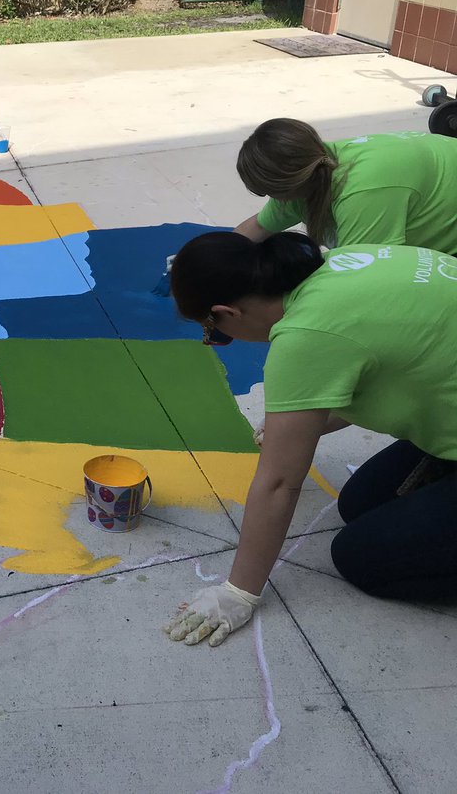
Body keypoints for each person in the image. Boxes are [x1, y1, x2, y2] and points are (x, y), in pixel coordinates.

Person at [162, 231, 457, 647]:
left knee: (361, 558)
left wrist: (239, 592)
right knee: (359, 505)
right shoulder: (339, 262)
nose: (217, 341)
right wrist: (303, 420)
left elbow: (280, 483)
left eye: (215, 333)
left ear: (226, 312)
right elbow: (381, 361)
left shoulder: (306, 335)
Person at [232, 117, 457, 253]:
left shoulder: (363, 191)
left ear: (289, 184)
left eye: (271, 191)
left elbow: (364, 274)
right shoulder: (311, 165)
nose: (274, 200)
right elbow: (256, 229)